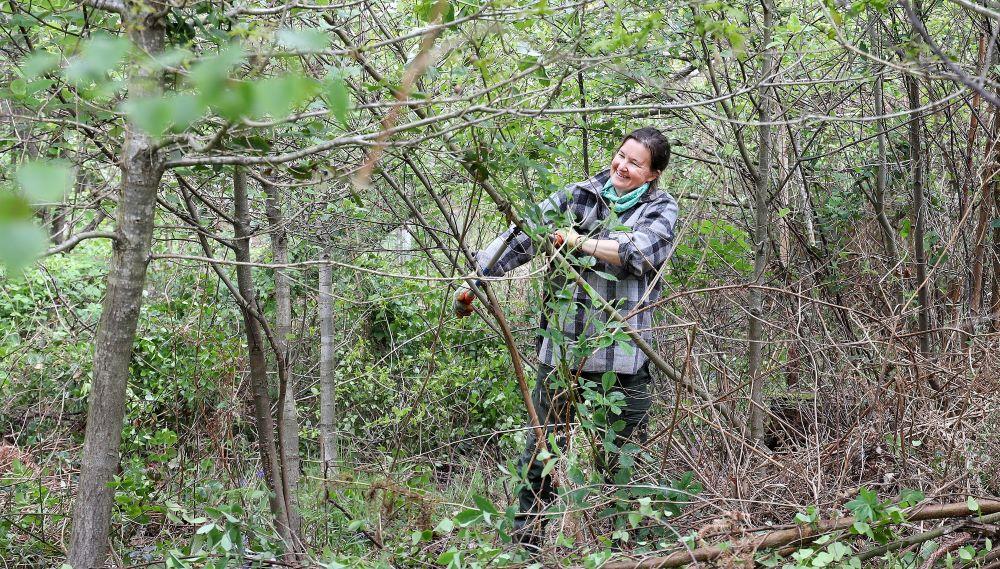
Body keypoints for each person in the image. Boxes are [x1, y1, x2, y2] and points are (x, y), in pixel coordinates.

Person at [454, 126, 678, 551]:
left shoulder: (662, 208)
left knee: (623, 461)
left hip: (624, 361)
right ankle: (526, 547)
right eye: (621, 155)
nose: (622, 166)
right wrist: (476, 281)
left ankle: (628, 550)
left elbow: (641, 253)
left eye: (635, 163)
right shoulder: (578, 195)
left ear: (652, 175)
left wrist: (580, 242)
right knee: (540, 456)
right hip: (562, 354)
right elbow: (521, 237)